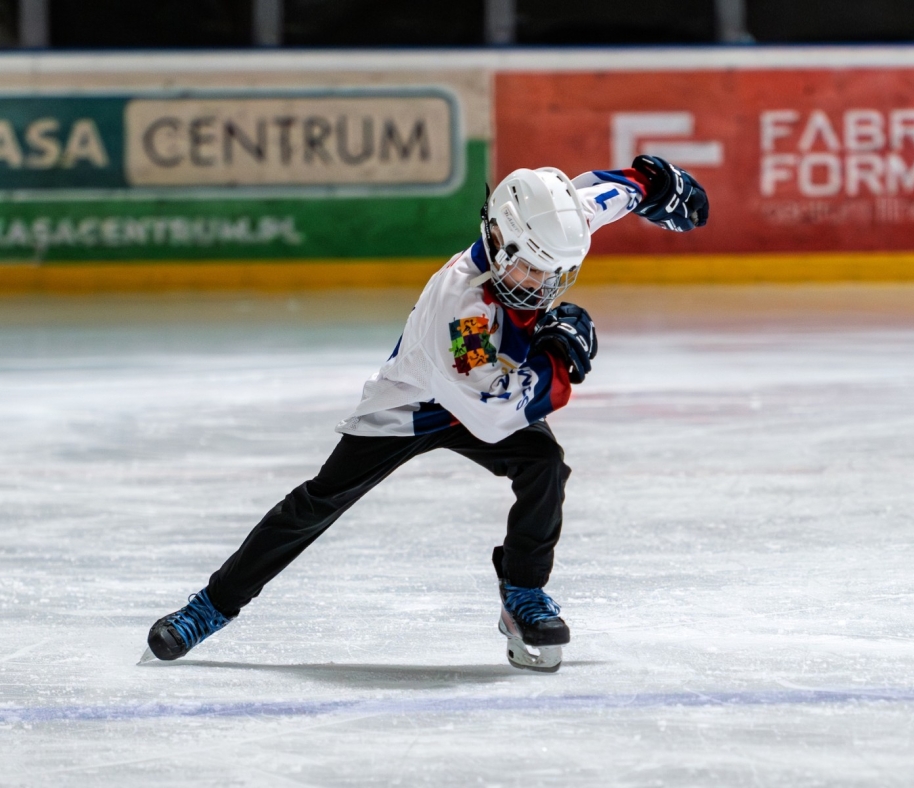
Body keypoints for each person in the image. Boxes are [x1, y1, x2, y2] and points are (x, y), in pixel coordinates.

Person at [143, 156, 708, 673]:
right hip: (414, 405)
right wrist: (556, 360)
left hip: (484, 388)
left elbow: (604, 194)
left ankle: (523, 592)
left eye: (556, 275)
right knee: (318, 502)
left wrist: (652, 184)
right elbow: (492, 412)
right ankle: (210, 606)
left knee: (544, 468)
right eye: (531, 271)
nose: (542, 287)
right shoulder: (460, 307)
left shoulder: (552, 228)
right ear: (498, 240)